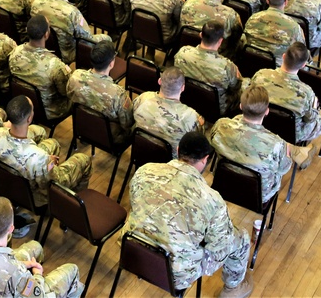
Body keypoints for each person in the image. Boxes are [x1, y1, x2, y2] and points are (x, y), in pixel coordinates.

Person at [123, 130, 253, 297]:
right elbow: (220, 245)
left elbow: (135, 203)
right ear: (205, 160)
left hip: (133, 250)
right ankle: (233, 289)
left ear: (177, 150)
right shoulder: (212, 199)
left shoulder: (144, 171)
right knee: (240, 238)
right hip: (175, 273)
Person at [0, 197, 84, 298]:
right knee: (72, 270)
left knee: (35, 247)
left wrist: (21, 264)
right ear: (11, 229)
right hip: (15, 284)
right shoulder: (17, 274)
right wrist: (37, 276)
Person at [207, 84, 310, 204]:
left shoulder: (221, 126)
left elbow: (212, 141)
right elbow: (283, 169)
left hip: (223, 184)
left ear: (240, 106)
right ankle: (295, 150)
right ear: (267, 112)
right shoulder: (276, 144)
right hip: (258, 195)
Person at [0, 95, 92, 208]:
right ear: (29, 119)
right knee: (84, 160)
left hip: (5, 184)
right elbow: (48, 184)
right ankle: (72, 209)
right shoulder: (40, 158)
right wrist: (49, 164)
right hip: (32, 198)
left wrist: (46, 161)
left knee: (53, 143)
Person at [251, 43, 321, 143]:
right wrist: (315, 108)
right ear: (303, 65)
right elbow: (310, 119)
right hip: (290, 133)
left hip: (262, 121)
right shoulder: (306, 93)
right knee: (319, 122)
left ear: (284, 56)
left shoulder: (261, 75)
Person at [8, 15, 72, 121]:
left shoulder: (15, 53)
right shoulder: (55, 65)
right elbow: (65, 92)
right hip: (50, 111)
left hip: (23, 104)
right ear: (46, 35)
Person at [32, 0, 105, 64]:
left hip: (41, 45)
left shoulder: (37, 3)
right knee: (105, 38)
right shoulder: (72, 12)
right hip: (66, 53)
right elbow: (86, 38)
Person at [67, 42, 133, 142]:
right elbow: (127, 123)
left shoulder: (75, 77)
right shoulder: (118, 94)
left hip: (81, 125)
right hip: (107, 137)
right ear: (111, 63)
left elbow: (69, 95)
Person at [174, 20, 243, 114]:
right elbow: (236, 87)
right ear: (220, 41)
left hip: (187, 97)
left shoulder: (182, 53)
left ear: (201, 35)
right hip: (215, 108)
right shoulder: (228, 67)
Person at [133, 67, 203, 157]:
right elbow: (196, 143)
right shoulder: (190, 116)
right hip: (170, 164)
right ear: (183, 88)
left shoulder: (144, 98)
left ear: (159, 81)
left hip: (141, 152)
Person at [238, 0, 305, 66]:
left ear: (267, 0)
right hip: (276, 71)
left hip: (250, 64)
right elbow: (300, 52)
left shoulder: (253, 18)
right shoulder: (294, 27)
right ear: (286, 2)